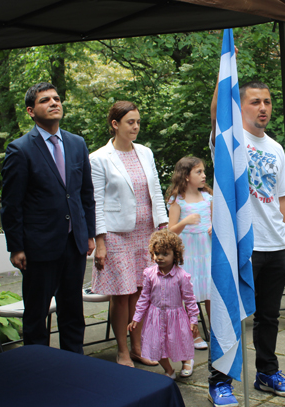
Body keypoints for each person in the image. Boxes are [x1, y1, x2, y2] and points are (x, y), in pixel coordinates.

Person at [208, 80, 285, 406]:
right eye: (255, 102)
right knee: (231, 314)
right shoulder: (229, 140)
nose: (263, 108)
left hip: (275, 245)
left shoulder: (276, 148)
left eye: (268, 102)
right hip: (242, 244)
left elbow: (283, 199)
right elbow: (217, 111)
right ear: (240, 106)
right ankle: (220, 381)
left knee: (269, 318)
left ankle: (267, 373)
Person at [1, 82, 96, 353]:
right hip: (38, 247)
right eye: (45, 100)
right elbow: (11, 204)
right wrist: (16, 246)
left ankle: (75, 366)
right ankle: (39, 371)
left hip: (73, 243)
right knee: (36, 315)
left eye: (56, 98)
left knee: (73, 312)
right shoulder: (20, 150)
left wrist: (88, 232)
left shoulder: (77, 144)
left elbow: (85, 194)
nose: (54, 103)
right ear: (31, 111)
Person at [90, 101, 169, 367]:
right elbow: (96, 202)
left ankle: (138, 346)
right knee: (121, 294)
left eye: (137, 122)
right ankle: (122, 350)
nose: (136, 127)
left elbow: (155, 190)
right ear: (115, 125)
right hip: (116, 234)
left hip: (145, 233)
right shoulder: (99, 157)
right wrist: (99, 241)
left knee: (140, 290)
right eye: (130, 122)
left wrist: (163, 226)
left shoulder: (145, 152)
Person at [128, 229, 199, 378]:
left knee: (178, 343)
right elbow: (144, 297)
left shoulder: (182, 276)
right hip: (155, 317)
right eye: (156, 253)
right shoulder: (149, 273)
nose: (159, 257)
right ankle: (169, 370)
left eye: (165, 254)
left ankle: (187, 360)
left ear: (175, 255)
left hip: (176, 317)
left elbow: (190, 300)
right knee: (156, 346)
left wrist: (193, 319)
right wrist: (136, 317)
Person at [166, 156, 213, 350]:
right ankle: (193, 333)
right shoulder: (178, 201)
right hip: (189, 251)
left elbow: (216, 220)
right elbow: (170, 231)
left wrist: (214, 226)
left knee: (211, 290)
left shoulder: (208, 197)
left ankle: (217, 330)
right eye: (198, 172)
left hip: (207, 249)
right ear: (186, 176)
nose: (203, 176)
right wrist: (185, 222)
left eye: (203, 172)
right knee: (189, 294)